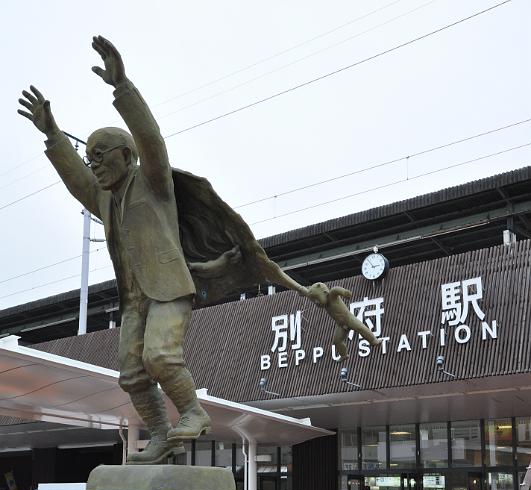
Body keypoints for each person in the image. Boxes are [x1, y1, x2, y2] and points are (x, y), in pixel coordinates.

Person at [18, 36, 380, 465]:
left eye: (99, 155)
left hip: (169, 288)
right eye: (89, 156)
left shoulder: (153, 184)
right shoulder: (105, 198)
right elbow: (77, 180)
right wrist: (54, 135)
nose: (92, 162)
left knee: (159, 356)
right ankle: (160, 436)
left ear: (126, 155)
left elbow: (151, 138)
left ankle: (193, 411)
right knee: (132, 375)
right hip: (134, 300)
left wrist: (123, 88)